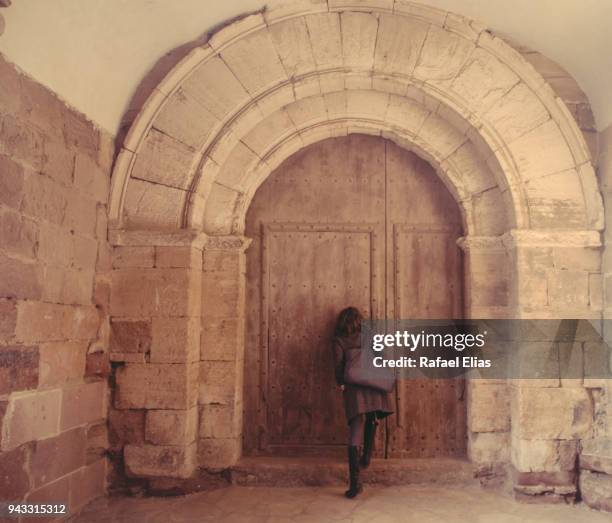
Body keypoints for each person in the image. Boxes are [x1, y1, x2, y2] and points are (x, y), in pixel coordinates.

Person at [331, 307, 393, 499]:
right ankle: (366, 455)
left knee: (355, 428)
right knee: (372, 416)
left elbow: (339, 366)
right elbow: (381, 357)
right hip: (372, 384)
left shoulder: (339, 340)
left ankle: (355, 484)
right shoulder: (369, 334)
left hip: (353, 388)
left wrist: (341, 382)